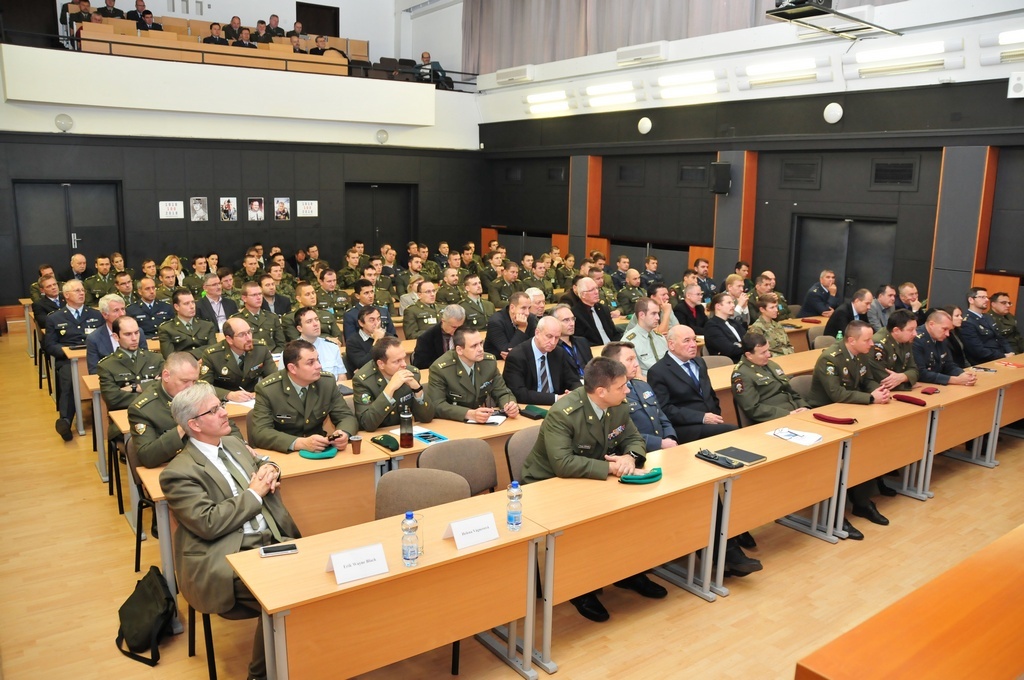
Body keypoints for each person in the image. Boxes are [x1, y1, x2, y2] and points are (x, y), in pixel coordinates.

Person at [161, 382, 300, 680]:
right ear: (194, 425)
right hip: (226, 556)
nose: (225, 413)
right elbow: (208, 524)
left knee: (318, 580)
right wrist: (254, 494)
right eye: (214, 410)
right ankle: (259, 675)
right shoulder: (178, 472)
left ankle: (308, 661)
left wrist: (272, 469)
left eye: (221, 406)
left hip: (271, 541)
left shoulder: (233, 444)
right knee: (282, 592)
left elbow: (264, 461)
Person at [520, 356, 665, 622]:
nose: (628, 390)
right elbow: (563, 463)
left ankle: (627, 572)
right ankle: (579, 588)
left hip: (589, 476)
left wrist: (630, 457)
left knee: (629, 513)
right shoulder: (564, 413)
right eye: (622, 386)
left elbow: (632, 437)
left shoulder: (617, 405)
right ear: (601, 391)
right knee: (581, 526)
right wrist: (611, 468)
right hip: (548, 483)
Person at [807, 321, 892, 537]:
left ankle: (862, 502)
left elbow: (868, 381)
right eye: (867, 340)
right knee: (847, 455)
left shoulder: (860, 354)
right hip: (825, 415)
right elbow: (836, 394)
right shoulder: (830, 358)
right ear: (851, 340)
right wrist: (871, 398)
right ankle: (834, 513)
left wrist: (879, 392)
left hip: (851, 411)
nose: (872, 344)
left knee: (870, 446)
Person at [130, 352, 240, 468]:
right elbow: (148, 457)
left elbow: (228, 425)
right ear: (166, 376)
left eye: (194, 381)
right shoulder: (144, 409)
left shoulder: (201, 390)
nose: (191, 387)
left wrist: (240, 446)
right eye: (185, 381)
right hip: (176, 467)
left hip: (214, 458)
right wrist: (184, 426)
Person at [249, 339, 359, 453]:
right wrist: (300, 443)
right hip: (286, 454)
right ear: (292, 368)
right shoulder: (268, 390)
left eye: (317, 359)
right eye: (310, 362)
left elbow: (346, 417)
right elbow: (260, 433)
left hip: (320, 451)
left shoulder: (326, 382)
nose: (319, 366)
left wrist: (343, 433)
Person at [647, 325, 736, 442]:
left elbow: (710, 394)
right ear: (671, 345)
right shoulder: (658, 371)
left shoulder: (699, 362)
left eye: (694, 339)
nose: (693, 345)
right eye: (687, 341)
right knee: (733, 432)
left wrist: (714, 415)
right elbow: (665, 409)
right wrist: (702, 417)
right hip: (685, 427)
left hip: (711, 421)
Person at [45, 280, 104, 441]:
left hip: (94, 357)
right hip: (69, 360)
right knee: (69, 381)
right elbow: (49, 345)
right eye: (77, 290)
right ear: (66, 295)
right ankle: (65, 420)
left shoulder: (96, 315)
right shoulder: (55, 318)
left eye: (82, 290)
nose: (82, 293)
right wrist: (67, 353)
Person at [427, 328, 520, 422]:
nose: (480, 349)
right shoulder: (441, 369)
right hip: (453, 422)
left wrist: (509, 405)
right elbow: (437, 404)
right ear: (459, 350)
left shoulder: (488, 362)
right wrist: (468, 414)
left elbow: (502, 392)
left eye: (481, 343)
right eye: (474, 346)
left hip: (482, 420)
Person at [602, 342, 677, 452]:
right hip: (637, 453)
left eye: (635, 359)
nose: (636, 364)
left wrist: (670, 437)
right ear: (614, 364)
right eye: (630, 359)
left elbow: (662, 418)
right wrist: (659, 443)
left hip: (665, 447)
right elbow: (620, 435)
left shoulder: (642, 385)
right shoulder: (610, 395)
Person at [353, 336, 434, 431]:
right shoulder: (363, 381)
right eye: (397, 361)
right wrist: (390, 388)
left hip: (403, 431)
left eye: (404, 358)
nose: (404, 364)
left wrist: (417, 389)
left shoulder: (412, 373)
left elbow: (427, 418)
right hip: (379, 435)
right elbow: (367, 423)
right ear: (381, 364)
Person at [731, 332, 810, 424]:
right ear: (749, 355)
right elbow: (752, 408)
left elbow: (789, 391)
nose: (769, 355)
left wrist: (804, 407)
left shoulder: (771, 365)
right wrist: (786, 414)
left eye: (768, 350)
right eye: (763, 352)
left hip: (796, 413)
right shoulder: (741, 374)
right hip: (774, 419)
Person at [502, 316, 578, 405]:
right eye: (549, 336)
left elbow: (574, 381)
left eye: (557, 338)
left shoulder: (559, 352)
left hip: (558, 405)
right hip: (530, 405)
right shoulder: (517, 356)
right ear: (537, 333)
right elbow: (519, 393)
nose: (553, 342)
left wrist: (573, 393)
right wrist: (556, 398)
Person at [198, 317, 276, 398]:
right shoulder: (212, 355)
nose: (249, 338)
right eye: (242, 335)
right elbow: (203, 387)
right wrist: (228, 395)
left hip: (253, 399)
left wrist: (259, 393)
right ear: (229, 339)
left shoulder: (261, 349)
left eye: (249, 332)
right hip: (225, 403)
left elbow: (275, 378)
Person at [913, 310, 979, 386]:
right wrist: (955, 380)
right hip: (924, 386)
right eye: (944, 329)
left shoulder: (940, 337)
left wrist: (963, 374)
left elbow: (948, 365)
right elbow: (921, 373)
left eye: (949, 330)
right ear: (931, 324)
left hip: (937, 384)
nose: (947, 334)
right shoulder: (916, 340)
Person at [864, 309, 919, 393]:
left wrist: (904, 377)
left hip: (895, 390)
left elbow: (914, 369)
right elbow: (884, 381)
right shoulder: (878, 344)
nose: (915, 334)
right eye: (911, 330)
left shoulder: (906, 340)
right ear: (896, 330)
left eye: (915, 329)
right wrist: (909, 383)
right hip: (880, 392)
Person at [157, 289, 217, 358]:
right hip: (181, 366)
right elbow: (170, 357)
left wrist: (186, 354)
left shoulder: (208, 326)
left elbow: (213, 351)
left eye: (193, 302)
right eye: (186, 303)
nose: (192, 306)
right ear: (177, 307)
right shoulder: (166, 329)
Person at [961, 287, 1014, 364]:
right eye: (982, 297)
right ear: (971, 300)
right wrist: (1004, 356)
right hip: (986, 361)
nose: (987, 300)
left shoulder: (987, 317)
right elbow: (978, 351)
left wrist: (1011, 352)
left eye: (986, 297)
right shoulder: (967, 322)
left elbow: (1000, 338)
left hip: (1001, 357)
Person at [292, 307, 346, 381]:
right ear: (299, 328)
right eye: (309, 321)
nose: (315, 324)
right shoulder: (291, 352)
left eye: (316, 319)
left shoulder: (332, 347)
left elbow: (342, 376)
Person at [232, 281, 286, 352]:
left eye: (260, 294)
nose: (258, 298)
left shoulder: (272, 317)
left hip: (272, 357)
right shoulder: (237, 320)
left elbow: (281, 344)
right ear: (244, 298)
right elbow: (235, 346)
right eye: (254, 295)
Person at [570, 275, 623, 346]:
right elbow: (581, 341)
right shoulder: (575, 313)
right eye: (592, 290)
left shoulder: (603, 308)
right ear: (583, 295)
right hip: (595, 350)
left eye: (596, 288)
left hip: (612, 347)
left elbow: (614, 333)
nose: (596, 292)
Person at [484, 291, 537, 359]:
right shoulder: (495, 322)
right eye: (523, 308)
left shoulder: (530, 318)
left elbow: (535, 346)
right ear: (512, 308)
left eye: (529, 308)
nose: (527, 313)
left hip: (522, 360)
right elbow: (507, 351)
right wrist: (522, 328)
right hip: (496, 363)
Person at [86, 293, 130, 373]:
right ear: (105, 315)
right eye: (116, 310)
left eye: (123, 309)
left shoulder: (137, 332)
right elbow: (94, 371)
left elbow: (144, 362)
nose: (122, 314)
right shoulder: (94, 338)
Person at [622, 297, 667, 374]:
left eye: (658, 313)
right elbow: (636, 375)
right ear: (642, 315)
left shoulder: (660, 337)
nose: (658, 318)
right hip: (648, 382)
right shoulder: (628, 342)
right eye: (653, 313)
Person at [412, 304, 465, 370]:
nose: (457, 330)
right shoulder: (426, 338)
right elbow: (420, 365)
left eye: (460, 327)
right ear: (443, 321)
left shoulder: (465, 333)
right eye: (454, 327)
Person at [551, 303, 593, 381]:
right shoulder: (552, 347)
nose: (572, 324)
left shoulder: (582, 342)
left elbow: (593, 368)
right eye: (566, 320)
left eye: (573, 319)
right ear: (555, 322)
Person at [703, 292, 745, 362]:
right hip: (730, 362)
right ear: (718, 306)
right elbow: (729, 350)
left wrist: (740, 345)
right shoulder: (712, 326)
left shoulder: (734, 323)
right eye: (729, 303)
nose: (733, 305)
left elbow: (749, 340)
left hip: (744, 359)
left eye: (733, 302)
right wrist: (745, 346)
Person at [346, 305, 386, 373]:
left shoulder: (387, 336)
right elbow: (363, 365)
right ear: (361, 323)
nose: (377, 323)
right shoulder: (352, 342)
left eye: (378, 319)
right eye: (372, 320)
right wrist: (377, 341)